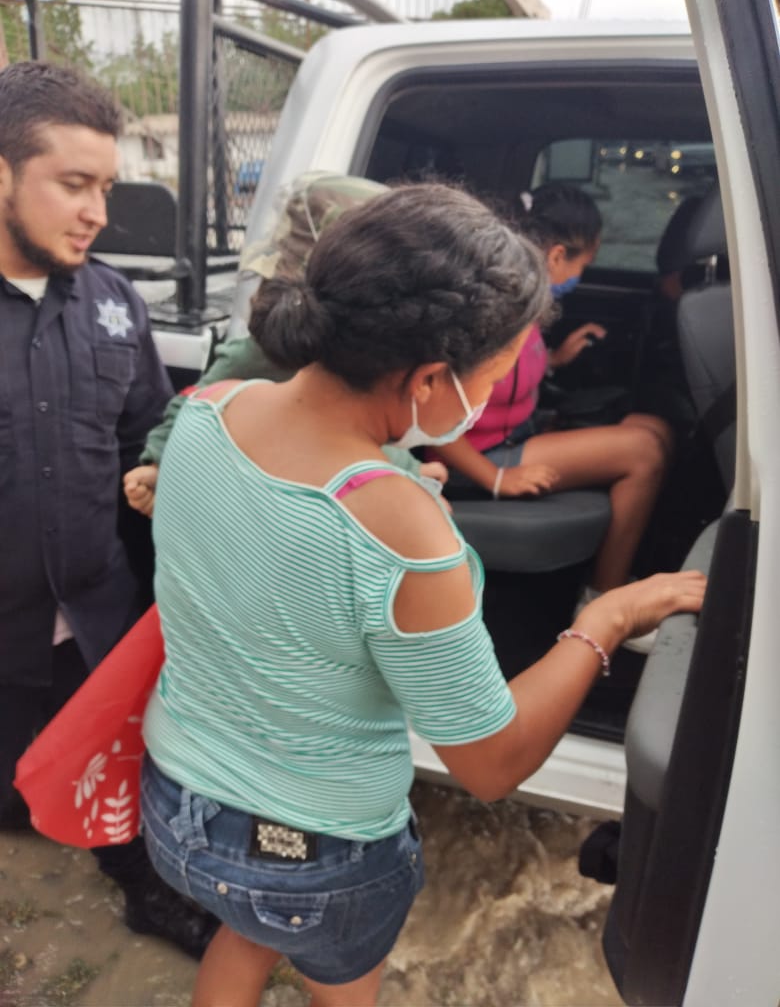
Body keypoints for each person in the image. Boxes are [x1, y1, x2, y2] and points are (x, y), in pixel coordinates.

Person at [138, 182, 705, 1007]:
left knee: (248, 927)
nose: (492, 396)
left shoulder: (207, 410)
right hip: (315, 853)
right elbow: (491, 764)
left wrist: (396, 478)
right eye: (496, 376)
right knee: (329, 968)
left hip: (175, 804)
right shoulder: (404, 528)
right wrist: (605, 617)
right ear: (432, 380)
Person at [0, 61, 215, 957]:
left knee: (115, 765)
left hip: (92, 613)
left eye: (107, 189)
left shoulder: (115, 304)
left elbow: (148, 438)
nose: (97, 212)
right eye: (73, 184)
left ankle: (145, 888)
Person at [432, 183, 674, 652]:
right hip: (475, 460)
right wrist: (497, 479)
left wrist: (557, 360)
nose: (580, 278)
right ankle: (601, 599)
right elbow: (433, 421)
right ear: (558, 254)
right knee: (643, 452)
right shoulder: (492, 310)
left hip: (513, 437)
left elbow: (510, 380)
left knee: (653, 428)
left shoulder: (525, 303)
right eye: (583, 266)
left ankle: (615, 577)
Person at [123, 171, 448, 518]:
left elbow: (362, 431)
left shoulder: (370, 356)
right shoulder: (265, 354)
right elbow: (195, 404)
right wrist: (159, 462)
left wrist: (411, 469)